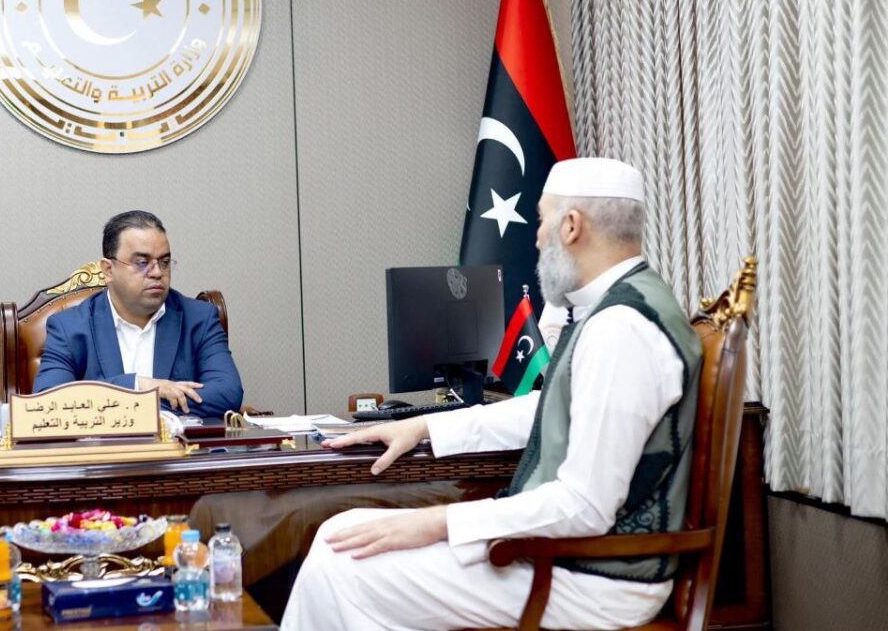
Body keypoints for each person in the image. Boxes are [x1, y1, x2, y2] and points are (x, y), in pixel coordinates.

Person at [281, 158, 703, 630]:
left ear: (571, 226)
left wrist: (437, 523)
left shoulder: (621, 329)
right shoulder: (617, 308)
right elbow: (550, 409)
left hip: (596, 576)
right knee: (340, 533)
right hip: (569, 554)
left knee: (343, 568)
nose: (537, 237)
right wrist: (423, 426)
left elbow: (584, 506)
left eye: (541, 220)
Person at [33, 210, 243, 418]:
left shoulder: (199, 318)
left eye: (164, 262)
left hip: (178, 441)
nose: (157, 272)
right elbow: (49, 401)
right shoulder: (69, 327)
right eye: (142, 263)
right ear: (108, 270)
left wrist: (137, 403)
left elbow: (227, 393)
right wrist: (137, 385)